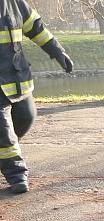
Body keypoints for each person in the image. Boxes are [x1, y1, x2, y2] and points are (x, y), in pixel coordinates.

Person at [1, 0, 73, 194]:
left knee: (26, 117)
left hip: (16, 78)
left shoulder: (15, 3)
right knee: (3, 130)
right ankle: (17, 174)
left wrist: (57, 51)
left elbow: (36, 28)